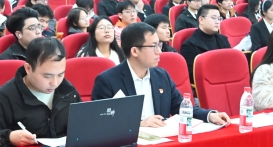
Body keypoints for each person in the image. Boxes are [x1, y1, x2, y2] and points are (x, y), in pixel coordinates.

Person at [91, 23, 230, 127]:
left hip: (161, 142)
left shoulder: (161, 76)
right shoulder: (108, 81)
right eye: (153, 46)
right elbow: (102, 122)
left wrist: (209, 115)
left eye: (159, 45)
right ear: (134, 51)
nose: (159, 52)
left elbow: (180, 107)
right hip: (128, 146)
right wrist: (139, 124)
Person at [0, 37, 82, 147]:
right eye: (47, 76)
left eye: (60, 75)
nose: (54, 83)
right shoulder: (3, 99)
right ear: (28, 69)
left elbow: (82, 125)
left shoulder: (68, 91)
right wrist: (9, 138)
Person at [180, 5, 230, 81]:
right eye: (213, 18)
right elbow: (192, 75)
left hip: (226, 79)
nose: (217, 22)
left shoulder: (223, 40)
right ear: (201, 20)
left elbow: (230, 64)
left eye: (219, 18)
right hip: (207, 83)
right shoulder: (189, 45)